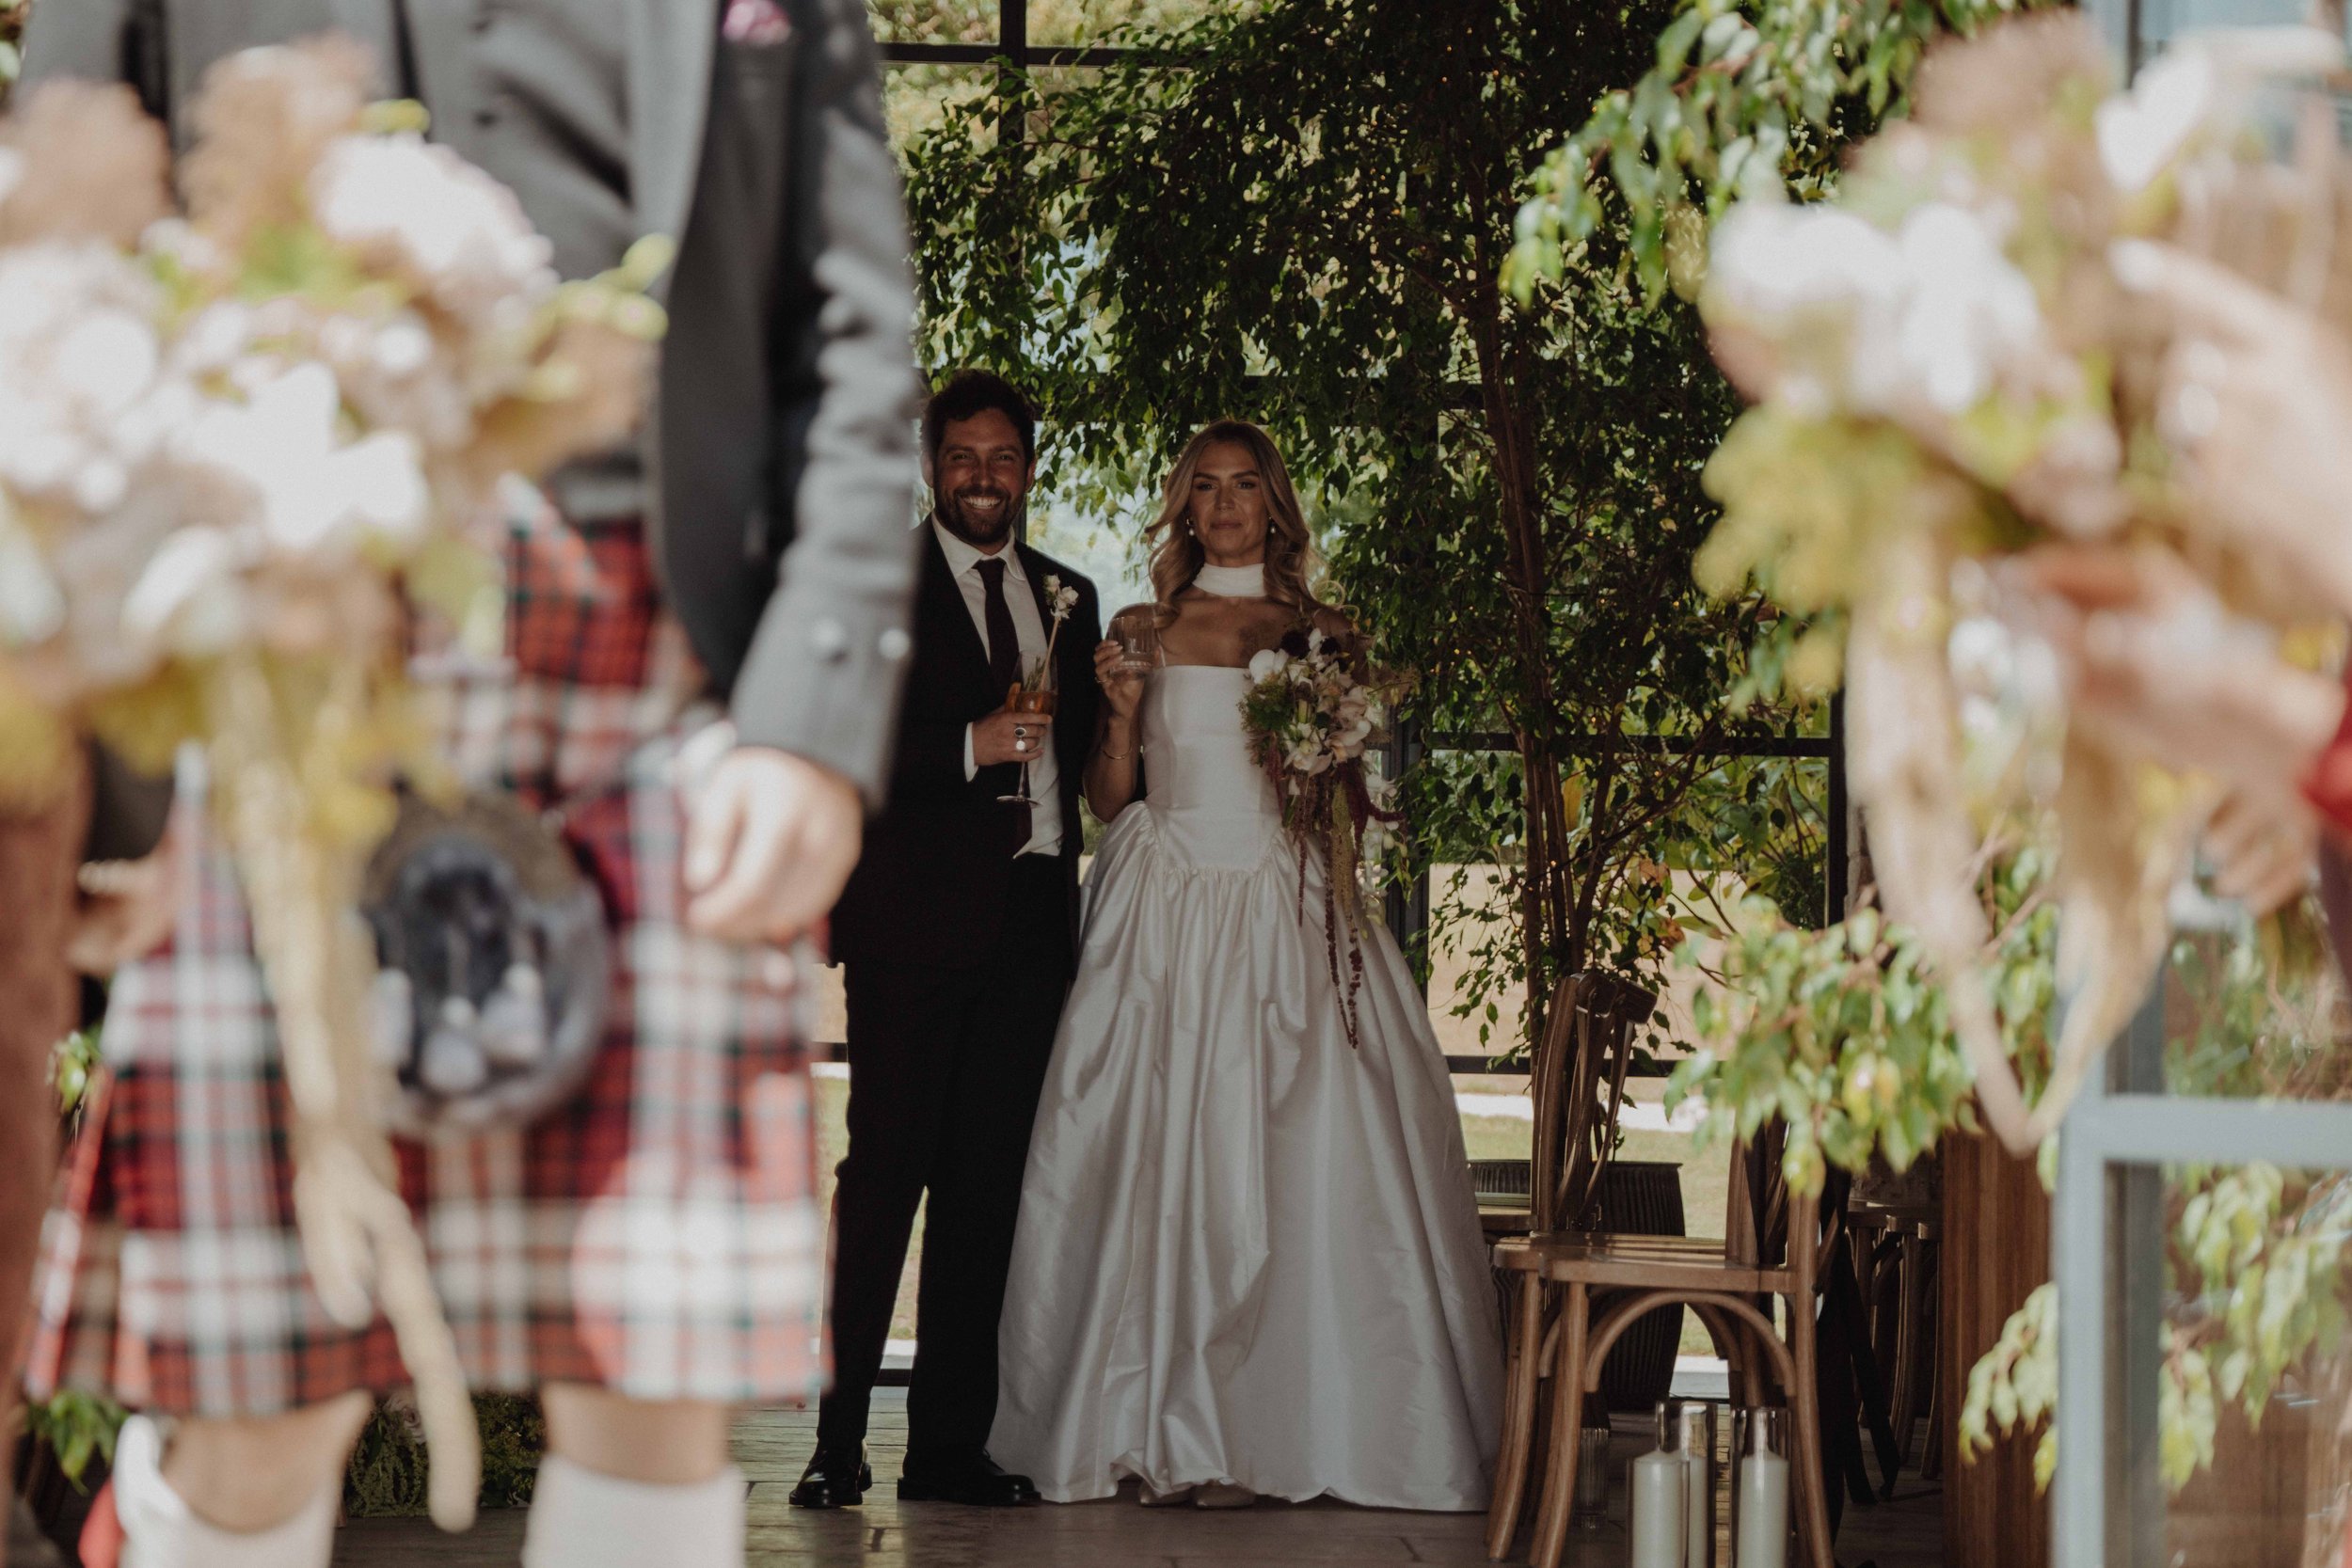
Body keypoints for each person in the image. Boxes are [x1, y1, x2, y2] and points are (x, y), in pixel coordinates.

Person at [17, 2, 922, 1564]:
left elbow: (852, 328)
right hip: (279, 660)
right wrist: (114, 773)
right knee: (262, 1387)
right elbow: (53, 275)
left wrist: (810, 718)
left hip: (657, 678)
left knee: (657, 1365)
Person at [990, 420, 1503, 1510]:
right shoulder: (1141, 624)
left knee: (1291, 1156)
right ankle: (1156, 1424)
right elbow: (1108, 795)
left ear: (1273, 501)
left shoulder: (1324, 630)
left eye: (1243, 486)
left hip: (1281, 904)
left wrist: (1323, 759)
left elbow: (1344, 800)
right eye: (1205, 487)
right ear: (1185, 504)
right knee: (1149, 1157)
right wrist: (1123, 713)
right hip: (1165, 901)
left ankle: (1272, 1431)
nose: (1223, 505)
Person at [794, 371, 1102, 1511]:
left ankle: (946, 1450)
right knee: (882, 1183)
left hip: (1029, 934)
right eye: (962, 457)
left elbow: (1095, 769)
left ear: (1030, 467)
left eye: (1003, 456)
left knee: (986, 1193)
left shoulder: (1073, 597)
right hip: (909, 932)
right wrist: (969, 745)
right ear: (932, 468)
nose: (983, 476)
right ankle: (836, 1439)